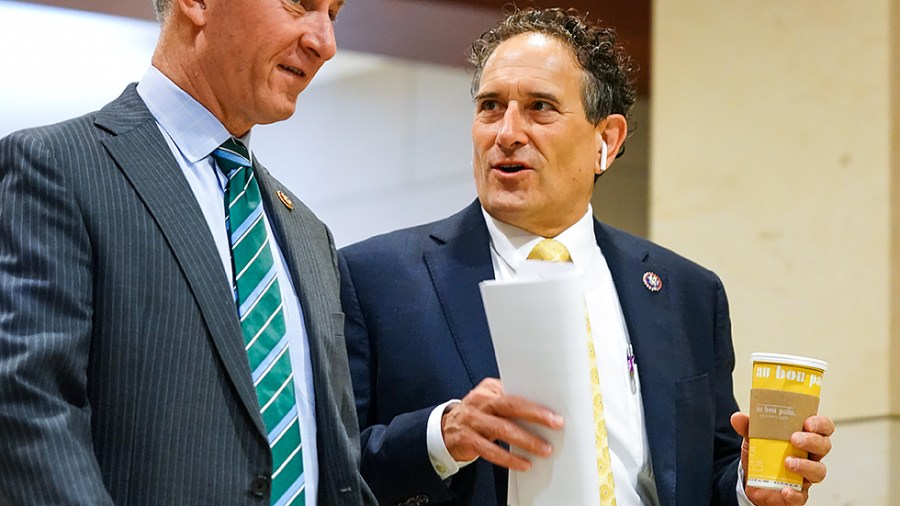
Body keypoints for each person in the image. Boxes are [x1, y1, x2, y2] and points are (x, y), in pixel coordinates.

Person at [338, 7, 833, 506]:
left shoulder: (687, 294)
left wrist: (752, 487)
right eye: (490, 106)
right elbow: (332, 464)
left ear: (606, 140)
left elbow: (707, 472)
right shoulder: (377, 279)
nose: (506, 132)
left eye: (539, 108)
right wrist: (440, 437)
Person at [0, 0, 374, 504]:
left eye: (333, 14)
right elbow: (30, 411)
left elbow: (336, 458)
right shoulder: (57, 168)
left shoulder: (308, 233)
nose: (324, 42)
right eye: (301, 5)